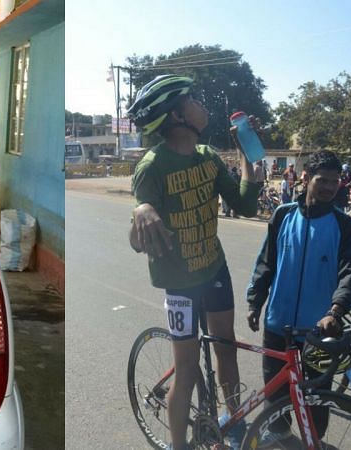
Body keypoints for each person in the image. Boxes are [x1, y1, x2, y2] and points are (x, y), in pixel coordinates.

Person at [127, 74, 261, 450]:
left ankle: (233, 421)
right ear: (177, 115)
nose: (202, 105)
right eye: (193, 99)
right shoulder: (152, 166)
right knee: (185, 369)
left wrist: (251, 158)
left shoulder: (209, 158)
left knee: (226, 348)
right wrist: (142, 209)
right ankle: (179, 445)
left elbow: (246, 205)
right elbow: (137, 239)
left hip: (214, 268)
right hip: (180, 283)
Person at [247, 150, 351, 445]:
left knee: (316, 400)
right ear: (306, 178)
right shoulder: (283, 214)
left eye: (334, 182)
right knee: (275, 395)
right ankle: (280, 439)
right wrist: (254, 302)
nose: (328, 187)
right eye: (322, 180)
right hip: (278, 327)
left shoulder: (344, 225)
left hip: (320, 332)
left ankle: (312, 442)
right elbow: (266, 263)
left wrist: (335, 312)